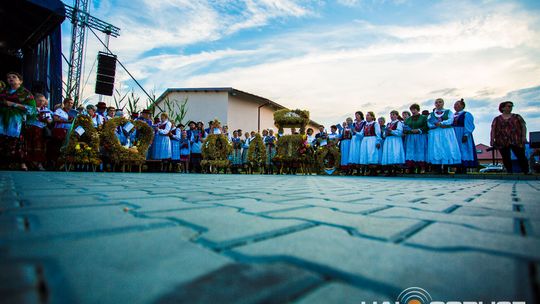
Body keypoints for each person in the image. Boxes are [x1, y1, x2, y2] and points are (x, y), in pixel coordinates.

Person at [0, 72, 37, 171]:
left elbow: (32, 109)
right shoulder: (3, 92)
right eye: (8, 77)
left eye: (14, 77)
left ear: (20, 81)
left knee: (17, 142)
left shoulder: (26, 93)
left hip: (17, 121)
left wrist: (13, 104)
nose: (10, 78)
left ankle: (21, 163)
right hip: (2, 120)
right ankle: (5, 163)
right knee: (3, 141)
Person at [490, 101, 529, 173]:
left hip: (516, 139)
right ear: (503, 108)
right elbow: (493, 129)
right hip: (502, 140)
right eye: (508, 106)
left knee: (521, 156)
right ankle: (509, 171)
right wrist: (492, 139)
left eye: (511, 106)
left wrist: (524, 136)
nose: (510, 108)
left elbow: (523, 126)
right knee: (505, 157)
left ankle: (526, 170)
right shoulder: (497, 119)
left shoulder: (517, 117)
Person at [427, 98, 461, 173]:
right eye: (436, 102)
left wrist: (442, 123)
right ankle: (437, 168)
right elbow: (428, 123)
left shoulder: (448, 112)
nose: (438, 104)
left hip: (446, 132)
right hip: (435, 133)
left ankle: (446, 167)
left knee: (446, 147)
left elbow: (451, 120)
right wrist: (435, 125)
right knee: (436, 147)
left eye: (440, 102)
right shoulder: (431, 114)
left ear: (443, 103)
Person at [25, 93, 52, 170]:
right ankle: (30, 163)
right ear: (35, 100)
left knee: (40, 147)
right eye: (39, 100)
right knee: (29, 146)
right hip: (30, 129)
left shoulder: (46, 110)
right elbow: (25, 118)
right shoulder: (30, 108)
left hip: (41, 130)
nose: (41, 102)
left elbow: (50, 121)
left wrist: (46, 119)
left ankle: (39, 164)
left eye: (43, 101)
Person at [453, 98, 478, 173]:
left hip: (462, 133)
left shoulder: (466, 114)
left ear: (462, 106)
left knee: (464, 149)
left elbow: (469, 125)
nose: (455, 106)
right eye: (455, 105)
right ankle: (457, 167)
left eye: (457, 104)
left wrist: (466, 134)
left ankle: (464, 167)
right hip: (454, 135)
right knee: (456, 150)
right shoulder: (452, 115)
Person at [404, 103, 428, 173]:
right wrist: (408, 130)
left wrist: (419, 130)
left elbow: (426, 126)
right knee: (411, 151)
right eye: (411, 110)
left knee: (420, 151)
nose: (413, 111)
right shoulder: (408, 119)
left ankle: (422, 167)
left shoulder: (423, 118)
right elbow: (405, 128)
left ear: (418, 110)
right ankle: (411, 167)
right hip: (411, 137)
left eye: (414, 109)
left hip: (420, 137)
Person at [51, 97, 75, 168]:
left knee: (67, 147)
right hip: (60, 131)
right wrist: (67, 121)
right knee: (58, 147)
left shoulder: (73, 112)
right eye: (68, 103)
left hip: (69, 132)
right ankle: (54, 163)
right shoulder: (59, 110)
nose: (70, 104)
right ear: (64, 103)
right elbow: (55, 119)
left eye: (71, 103)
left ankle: (64, 164)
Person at [381, 110, 405, 176]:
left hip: (395, 140)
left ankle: (395, 170)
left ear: (397, 116)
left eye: (393, 115)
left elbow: (399, 132)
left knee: (395, 153)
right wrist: (385, 133)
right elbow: (383, 134)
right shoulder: (388, 124)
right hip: (388, 140)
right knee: (388, 153)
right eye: (391, 115)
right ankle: (389, 170)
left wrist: (391, 131)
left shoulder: (399, 123)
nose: (392, 116)